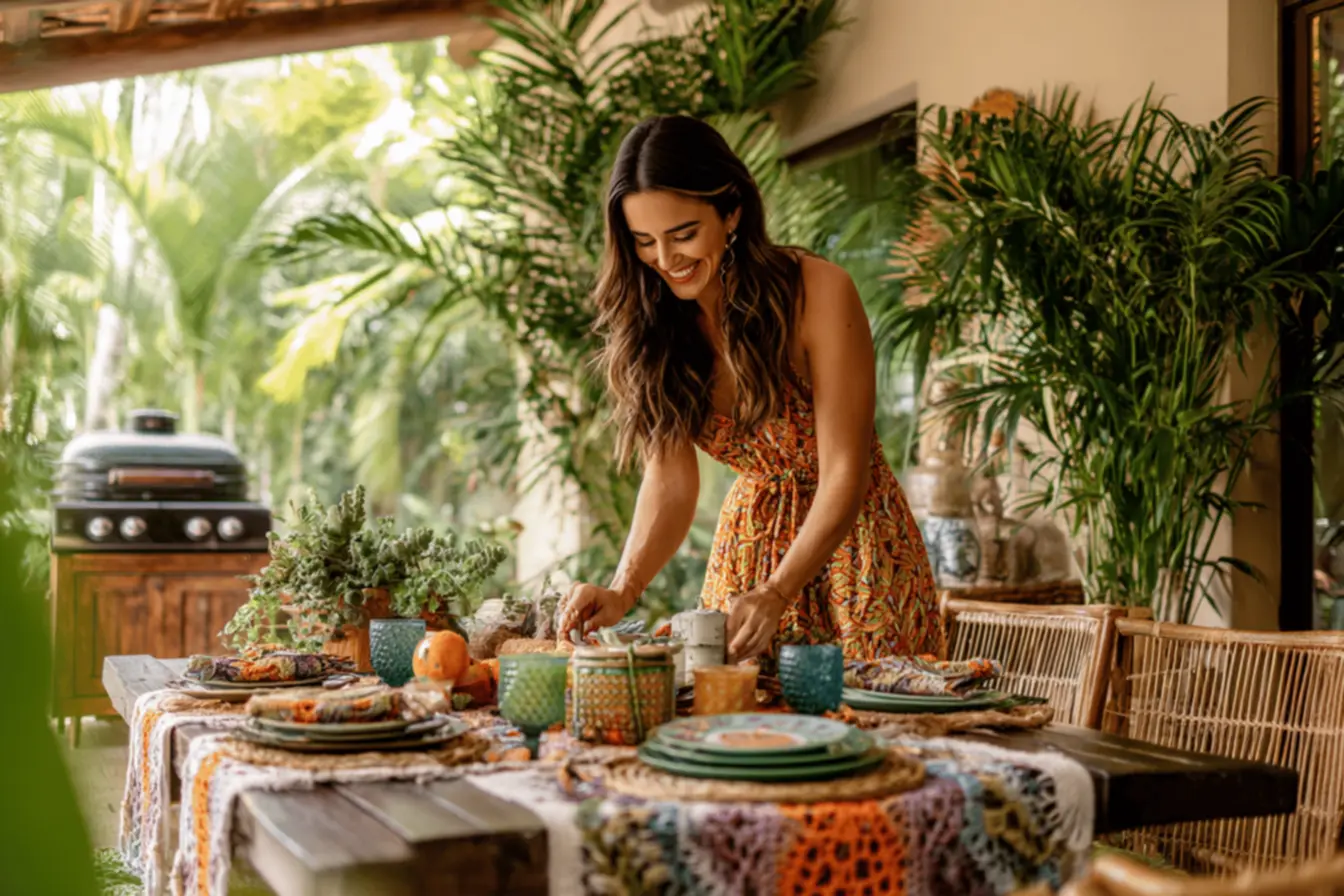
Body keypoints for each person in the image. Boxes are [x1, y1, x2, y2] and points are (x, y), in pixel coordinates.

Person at [557, 115, 939, 665]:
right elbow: (669, 480)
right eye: (645, 242)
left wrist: (778, 591)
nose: (666, 261)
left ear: (732, 210)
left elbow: (844, 475)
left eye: (684, 234)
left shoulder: (818, 292)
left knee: (878, 728)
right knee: (734, 725)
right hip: (748, 554)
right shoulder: (656, 326)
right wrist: (622, 590)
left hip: (858, 551)